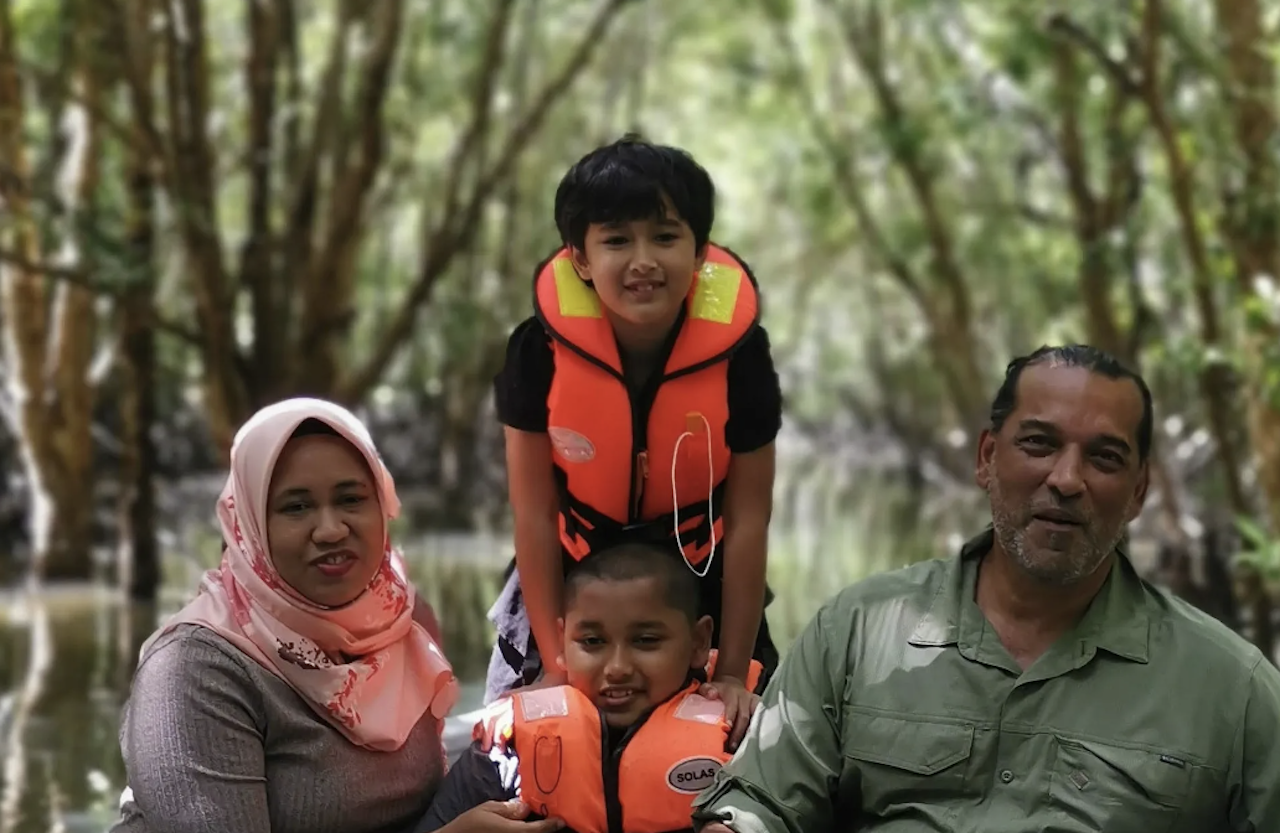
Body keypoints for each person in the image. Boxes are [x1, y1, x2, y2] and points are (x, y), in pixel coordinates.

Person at [690, 344, 1280, 833]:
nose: (1066, 479)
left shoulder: (1234, 693)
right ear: (987, 458)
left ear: (1138, 492)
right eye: (1039, 444)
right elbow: (757, 806)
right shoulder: (859, 631)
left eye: (1103, 458)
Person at [488, 135, 782, 749]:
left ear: (700, 252)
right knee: (529, 749)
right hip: (570, 572)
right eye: (617, 240)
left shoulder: (741, 355)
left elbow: (750, 520)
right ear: (580, 259)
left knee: (743, 746)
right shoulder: (536, 351)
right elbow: (534, 514)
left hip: (701, 571)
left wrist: (730, 672)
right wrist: (554, 660)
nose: (643, 260)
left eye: (666, 237)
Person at [110, 398, 479, 833]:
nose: (330, 529)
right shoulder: (197, 670)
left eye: (351, 499)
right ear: (250, 525)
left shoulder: (401, 622)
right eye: (296, 507)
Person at [416, 540, 764, 833]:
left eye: (645, 640)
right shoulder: (506, 752)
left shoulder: (742, 739)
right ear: (562, 643)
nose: (617, 668)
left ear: (699, 642)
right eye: (593, 641)